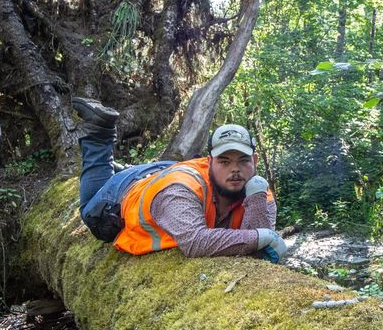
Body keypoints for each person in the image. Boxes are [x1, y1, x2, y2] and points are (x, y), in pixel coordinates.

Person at [73, 97, 287, 262]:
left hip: (166, 171)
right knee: (90, 211)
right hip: (124, 190)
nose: (235, 170)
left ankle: (126, 167)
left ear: (255, 161)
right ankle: (100, 133)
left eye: (243, 161)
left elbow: (257, 254)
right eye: (224, 161)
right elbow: (195, 242)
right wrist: (262, 237)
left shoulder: (260, 192)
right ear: (210, 161)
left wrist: (257, 205)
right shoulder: (180, 190)